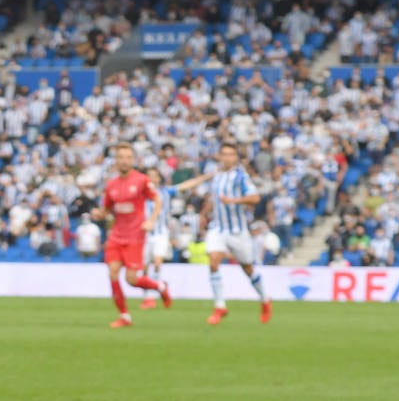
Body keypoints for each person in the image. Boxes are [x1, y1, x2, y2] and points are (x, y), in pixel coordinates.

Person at [176, 141, 272, 325]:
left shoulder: (240, 177)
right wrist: (204, 214)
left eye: (231, 154)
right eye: (224, 154)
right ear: (219, 156)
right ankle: (220, 306)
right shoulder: (217, 176)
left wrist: (234, 201)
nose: (227, 157)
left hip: (237, 231)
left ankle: (264, 299)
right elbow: (216, 200)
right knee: (213, 261)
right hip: (218, 228)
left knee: (248, 269)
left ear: (236, 158)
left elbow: (255, 197)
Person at [92, 142, 170, 329]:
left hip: (135, 236)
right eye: (121, 157)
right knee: (112, 272)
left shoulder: (142, 181)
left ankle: (160, 287)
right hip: (116, 236)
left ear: (133, 160)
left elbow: (157, 200)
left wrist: (151, 220)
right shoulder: (111, 185)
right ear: (116, 160)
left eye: (128, 157)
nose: (124, 161)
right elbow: (108, 210)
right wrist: (99, 214)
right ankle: (124, 316)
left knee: (132, 280)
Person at [139, 167, 175, 310]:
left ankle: (150, 298)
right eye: (149, 176)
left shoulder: (165, 192)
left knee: (157, 262)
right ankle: (156, 289)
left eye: (155, 176)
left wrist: (206, 176)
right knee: (144, 268)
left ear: (159, 178)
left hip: (160, 233)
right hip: (144, 235)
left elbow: (186, 185)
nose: (152, 179)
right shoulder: (140, 194)